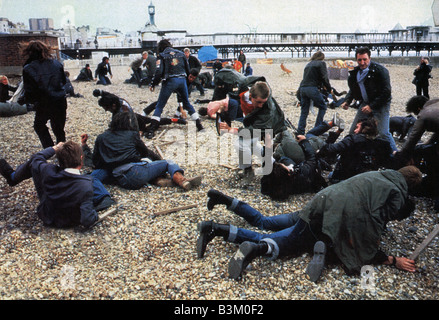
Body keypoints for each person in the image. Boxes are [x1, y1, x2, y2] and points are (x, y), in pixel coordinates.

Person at [197, 165, 422, 281]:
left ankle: (225, 200)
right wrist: (391, 260)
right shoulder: (396, 194)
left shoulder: (378, 174)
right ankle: (225, 234)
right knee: (282, 243)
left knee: (265, 221)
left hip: (319, 201)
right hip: (323, 218)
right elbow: (369, 231)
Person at [0, 141, 114, 229]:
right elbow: (87, 220)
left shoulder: (48, 171)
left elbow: (36, 158)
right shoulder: (86, 184)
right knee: (95, 184)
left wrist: (54, 148)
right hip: (69, 222)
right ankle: (105, 198)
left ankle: (13, 177)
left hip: (47, 216)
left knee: (35, 164)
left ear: (59, 161)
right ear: (81, 159)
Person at [85, 112, 202, 191]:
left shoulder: (101, 137)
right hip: (135, 173)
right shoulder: (132, 134)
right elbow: (145, 153)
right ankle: (181, 180)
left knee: (147, 170)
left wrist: (84, 146)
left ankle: (158, 180)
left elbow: (96, 160)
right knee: (167, 163)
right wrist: (159, 162)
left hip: (119, 179)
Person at [218, 79, 287, 183]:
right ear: (250, 95)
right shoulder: (245, 87)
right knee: (252, 143)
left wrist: (229, 129)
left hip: (268, 123)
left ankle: (248, 170)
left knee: (240, 143)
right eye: (258, 102)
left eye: (263, 102)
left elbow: (249, 132)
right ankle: (271, 164)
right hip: (254, 119)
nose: (260, 105)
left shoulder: (266, 110)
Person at [340, 47, 397, 152]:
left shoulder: (380, 71)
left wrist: (372, 106)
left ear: (369, 58)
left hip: (381, 103)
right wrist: (347, 101)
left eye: (365, 59)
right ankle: (348, 153)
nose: (362, 62)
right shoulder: (356, 72)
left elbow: (386, 92)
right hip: (366, 103)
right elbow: (352, 89)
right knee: (353, 131)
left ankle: (396, 155)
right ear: (356, 60)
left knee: (383, 133)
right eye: (359, 60)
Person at [147, 39, 203, 139]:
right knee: (187, 103)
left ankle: (151, 130)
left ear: (160, 48)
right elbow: (188, 69)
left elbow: (159, 72)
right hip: (182, 80)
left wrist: (153, 84)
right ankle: (199, 125)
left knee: (160, 105)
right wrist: (185, 83)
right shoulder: (181, 54)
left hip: (170, 81)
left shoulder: (162, 55)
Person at [395, 95, 439, 212]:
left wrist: (402, 155)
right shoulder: (435, 104)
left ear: (418, 109)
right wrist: (428, 142)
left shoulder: (424, 114)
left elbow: (413, 138)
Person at [317, 117, 393, 183]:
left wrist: (337, 133)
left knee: (330, 175)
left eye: (357, 127)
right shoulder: (382, 143)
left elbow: (329, 150)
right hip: (367, 179)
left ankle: (332, 125)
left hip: (346, 179)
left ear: (364, 129)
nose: (355, 131)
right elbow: (387, 162)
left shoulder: (352, 140)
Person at [21, 40, 68, 149]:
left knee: (39, 125)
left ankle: (49, 148)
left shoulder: (28, 68)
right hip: (60, 100)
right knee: (58, 127)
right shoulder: (57, 63)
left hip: (44, 102)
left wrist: (28, 102)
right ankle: (62, 149)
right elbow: (64, 81)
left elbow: (30, 91)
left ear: (30, 52)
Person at [93, 89, 186, 134]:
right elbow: (109, 95)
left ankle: (175, 120)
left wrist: (139, 132)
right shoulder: (116, 100)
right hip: (137, 116)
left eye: (106, 108)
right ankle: (158, 104)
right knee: (148, 115)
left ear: (113, 106)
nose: (105, 110)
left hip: (138, 122)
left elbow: (131, 128)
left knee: (154, 122)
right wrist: (100, 93)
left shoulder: (123, 112)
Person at [297, 51, 332, 135]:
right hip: (312, 88)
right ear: (322, 57)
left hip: (303, 89)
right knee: (323, 106)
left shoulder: (308, 65)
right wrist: (329, 88)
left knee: (304, 111)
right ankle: (317, 128)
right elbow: (325, 78)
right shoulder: (321, 63)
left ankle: (300, 131)